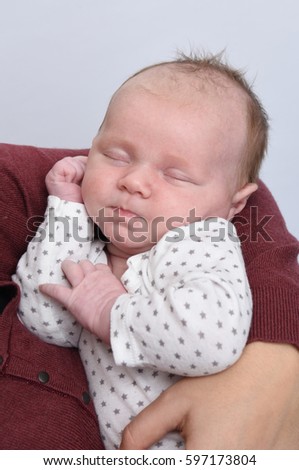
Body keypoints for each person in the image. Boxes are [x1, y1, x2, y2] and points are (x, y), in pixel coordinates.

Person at [13, 53, 270, 449]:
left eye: (175, 174)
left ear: (234, 204)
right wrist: (66, 209)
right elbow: (44, 320)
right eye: (116, 156)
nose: (133, 181)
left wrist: (110, 313)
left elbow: (211, 339)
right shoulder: (95, 247)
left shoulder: (201, 242)